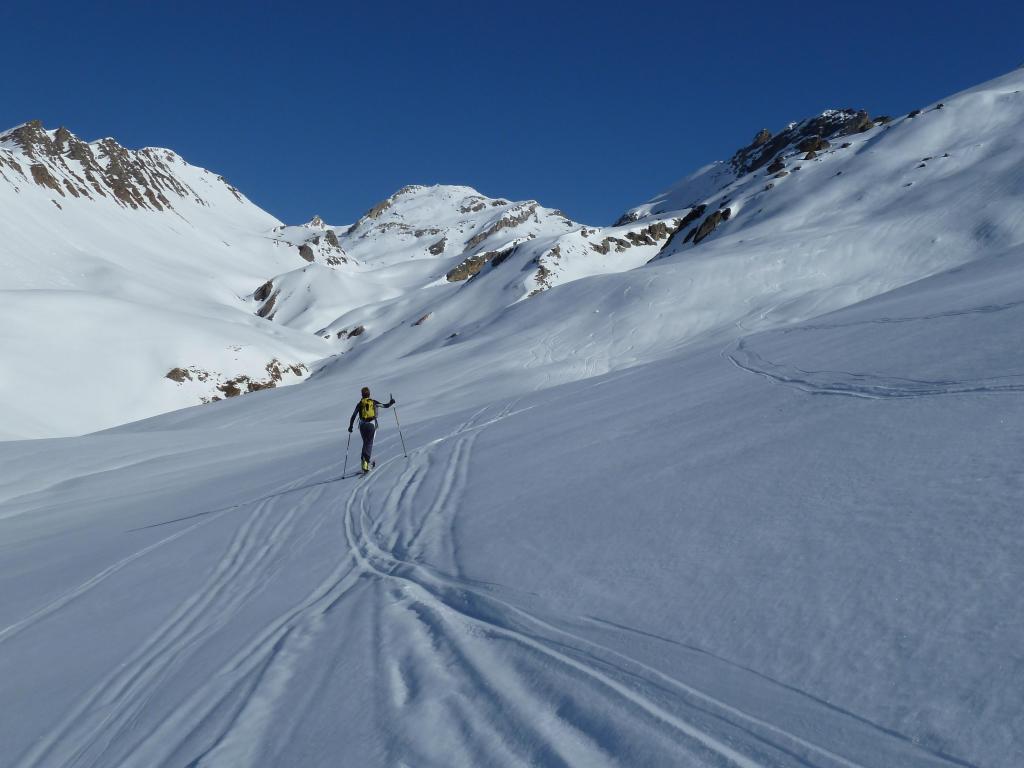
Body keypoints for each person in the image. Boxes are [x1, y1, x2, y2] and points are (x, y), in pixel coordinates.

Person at [348, 387, 395, 472]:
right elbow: (386, 406)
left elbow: (353, 416)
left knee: (366, 443)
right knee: (369, 443)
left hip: (362, 426)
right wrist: (391, 402)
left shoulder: (360, 404)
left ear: (362, 394)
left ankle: (365, 463)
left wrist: (350, 426)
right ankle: (365, 464)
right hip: (371, 425)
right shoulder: (373, 402)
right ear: (369, 394)